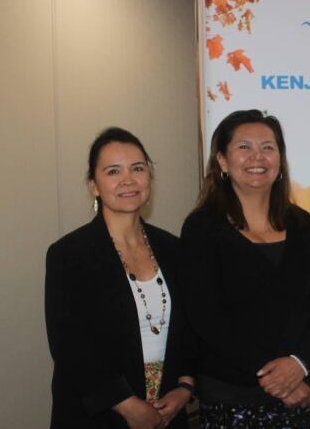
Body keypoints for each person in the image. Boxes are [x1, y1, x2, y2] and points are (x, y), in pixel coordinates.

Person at [179, 109, 310, 428]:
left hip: (304, 393)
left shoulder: (302, 224)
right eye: (244, 147)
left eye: (268, 147)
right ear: (222, 161)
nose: (258, 156)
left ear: (280, 160)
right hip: (233, 399)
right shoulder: (202, 228)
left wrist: (299, 365)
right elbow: (205, 319)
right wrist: (275, 377)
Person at [45, 127, 194, 429]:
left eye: (137, 168)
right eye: (113, 171)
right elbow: (70, 346)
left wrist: (185, 387)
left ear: (149, 178)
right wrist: (127, 406)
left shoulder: (174, 249)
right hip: (99, 414)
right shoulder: (70, 254)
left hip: (169, 411)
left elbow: (192, 327)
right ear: (94, 186)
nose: (128, 180)